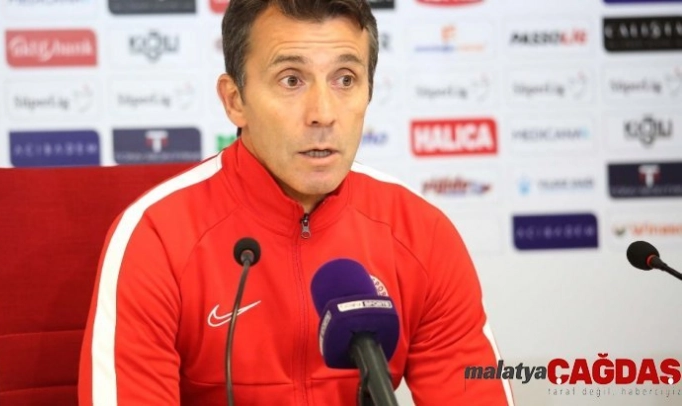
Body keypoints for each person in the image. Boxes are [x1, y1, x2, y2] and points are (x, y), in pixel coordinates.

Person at [78, 0, 513, 404]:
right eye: (291, 80)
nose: (323, 113)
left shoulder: (420, 233)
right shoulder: (156, 238)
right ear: (235, 100)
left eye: (345, 79)